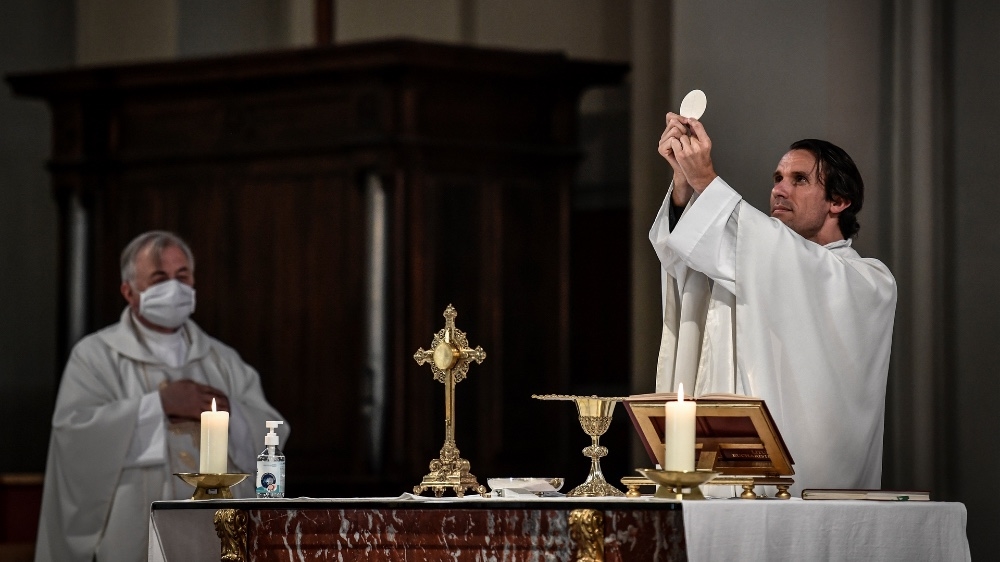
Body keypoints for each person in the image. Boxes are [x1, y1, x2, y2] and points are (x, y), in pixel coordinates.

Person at [649, 113, 896, 495]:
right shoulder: (757, 264)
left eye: (799, 180)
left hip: (811, 494)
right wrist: (684, 186)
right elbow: (695, 258)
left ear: (839, 201)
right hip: (722, 477)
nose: (779, 190)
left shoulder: (868, 282)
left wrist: (705, 181)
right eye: (778, 178)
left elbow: (794, 263)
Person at [35, 231, 290, 562]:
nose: (174, 288)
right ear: (129, 291)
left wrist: (231, 413)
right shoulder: (95, 356)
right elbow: (73, 436)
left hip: (217, 535)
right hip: (133, 536)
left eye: (182, 276)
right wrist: (160, 406)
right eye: (159, 278)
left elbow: (272, 429)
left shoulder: (221, 359)